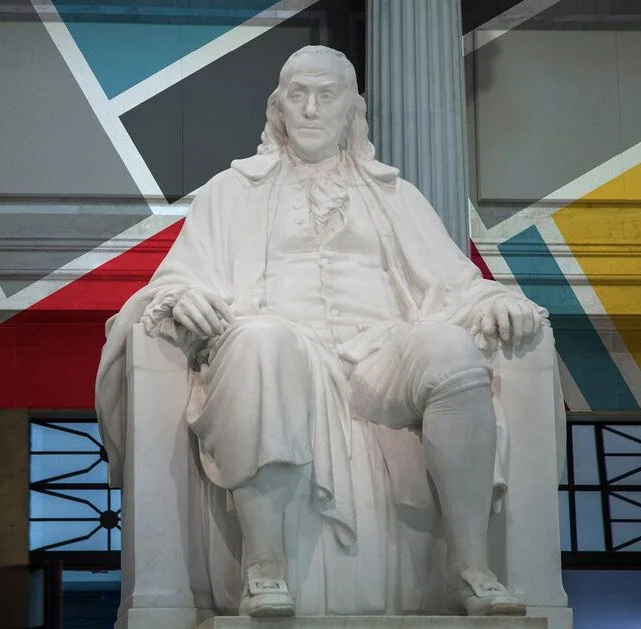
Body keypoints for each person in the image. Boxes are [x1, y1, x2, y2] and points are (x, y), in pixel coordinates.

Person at [96, 45, 548, 617]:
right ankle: (265, 566)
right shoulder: (231, 192)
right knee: (262, 341)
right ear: (278, 108)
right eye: (298, 95)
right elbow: (179, 279)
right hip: (281, 347)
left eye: (326, 95)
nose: (310, 109)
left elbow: (455, 280)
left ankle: (470, 567)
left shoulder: (394, 195)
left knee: (451, 348)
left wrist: (493, 300)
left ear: (350, 110)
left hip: (381, 353)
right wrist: (179, 295)